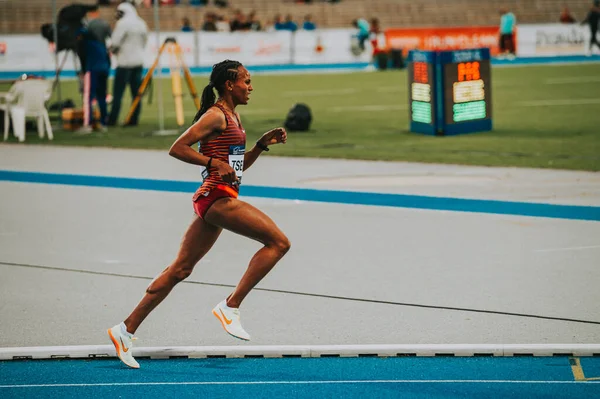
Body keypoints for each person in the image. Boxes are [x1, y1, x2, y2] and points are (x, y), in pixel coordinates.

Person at [107, 59, 291, 369]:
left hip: (219, 198)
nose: (250, 87)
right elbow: (177, 147)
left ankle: (124, 329)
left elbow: (236, 167)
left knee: (181, 269)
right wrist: (210, 162)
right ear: (229, 85)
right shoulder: (216, 116)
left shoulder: (232, 117)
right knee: (278, 243)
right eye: (246, 81)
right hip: (216, 198)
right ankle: (230, 306)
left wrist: (259, 146)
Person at [107, 2, 148, 127]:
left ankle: (112, 119)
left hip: (124, 63)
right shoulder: (141, 23)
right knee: (136, 94)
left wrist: (113, 51)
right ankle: (133, 119)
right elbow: (145, 41)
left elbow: (114, 43)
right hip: (138, 62)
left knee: (118, 93)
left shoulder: (122, 23)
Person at [76, 7, 111, 133]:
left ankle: (88, 124)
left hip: (93, 70)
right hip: (104, 69)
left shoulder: (84, 42)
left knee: (88, 97)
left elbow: (83, 57)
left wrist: (84, 71)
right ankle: (103, 123)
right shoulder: (99, 43)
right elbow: (107, 57)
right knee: (102, 96)